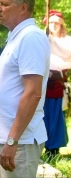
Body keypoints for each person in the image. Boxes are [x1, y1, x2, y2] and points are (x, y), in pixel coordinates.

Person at [0, 0, 50, 178]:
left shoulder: (31, 37)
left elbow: (32, 93)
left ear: (23, 8)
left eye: (4, 4)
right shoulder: (16, 37)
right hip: (8, 139)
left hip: (20, 142)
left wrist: (12, 141)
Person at [43, 10, 70, 157]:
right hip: (41, 82)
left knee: (55, 115)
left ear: (61, 25)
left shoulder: (68, 41)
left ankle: (53, 149)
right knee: (41, 116)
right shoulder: (42, 38)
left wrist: (60, 65)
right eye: (51, 23)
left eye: (57, 23)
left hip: (58, 84)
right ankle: (39, 145)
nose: (54, 26)